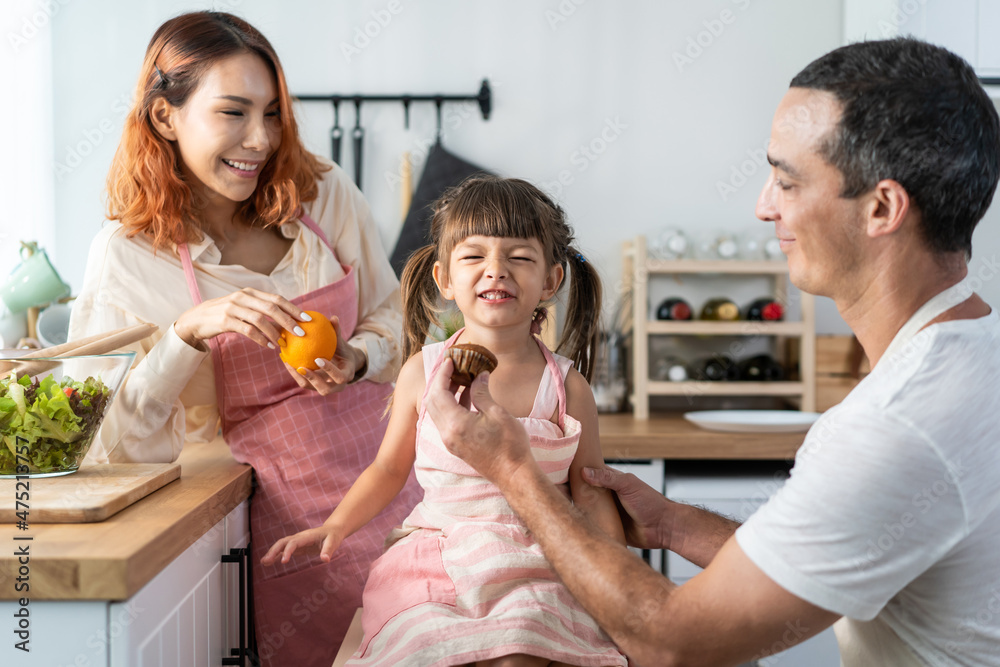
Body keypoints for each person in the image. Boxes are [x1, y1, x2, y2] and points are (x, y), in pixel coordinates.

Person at [422, 37, 1000, 667]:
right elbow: (823, 555)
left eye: (786, 180)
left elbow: (670, 640)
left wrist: (513, 472)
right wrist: (671, 524)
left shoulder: (898, 424)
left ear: (882, 207)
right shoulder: (968, 356)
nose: (762, 206)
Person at [68, 12, 421, 667]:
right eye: (232, 112)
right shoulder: (126, 257)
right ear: (165, 117)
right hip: (293, 527)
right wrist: (187, 333)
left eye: (271, 113)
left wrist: (358, 356)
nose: (258, 140)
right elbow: (112, 441)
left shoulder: (320, 194)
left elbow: (394, 313)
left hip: (399, 485)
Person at [264, 176, 629, 666]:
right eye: (474, 256)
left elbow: (591, 490)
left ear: (550, 281)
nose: (495, 271)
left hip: (541, 560)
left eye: (519, 257)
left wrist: (618, 581)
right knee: (432, 650)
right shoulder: (422, 371)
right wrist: (336, 525)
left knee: (519, 650)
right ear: (445, 280)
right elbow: (388, 470)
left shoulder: (568, 388)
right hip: (440, 557)